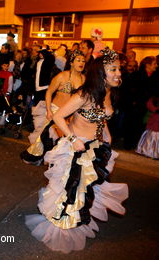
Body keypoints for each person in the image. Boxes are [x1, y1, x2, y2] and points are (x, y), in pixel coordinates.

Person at [25, 47, 128, 253]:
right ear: (101, 73)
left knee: (88, 188)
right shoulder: (85, 94)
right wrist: (73, 139)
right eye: (113, 69)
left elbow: (102, 117)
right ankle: (62, 226)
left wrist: (107, 135)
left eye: (119, 69)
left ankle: (76, 217)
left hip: (96, 147)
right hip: (77, 147)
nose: (118, 73)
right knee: (73, 189)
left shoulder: (107, 92)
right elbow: (58, 116)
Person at [21, 50, 86, 165]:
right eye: (78, 60)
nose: (82, 63)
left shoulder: (84, 79)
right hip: (56, 111)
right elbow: (49, 92)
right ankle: (45, 158)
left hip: (72, 115)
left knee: (66, 141)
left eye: (83, 61)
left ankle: (60, 162)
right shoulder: (62, 76)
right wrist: (49, 110)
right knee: (45, 137)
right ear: (71, 62)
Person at [136, 78, 159, 159]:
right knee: (150, 136)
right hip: (154, 120)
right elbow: (149, 103)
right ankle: (147, 151)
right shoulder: (157, 96)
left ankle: (158, 154)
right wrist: (156, 110)